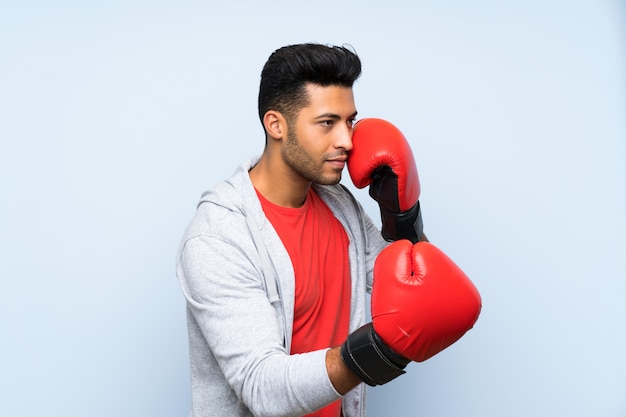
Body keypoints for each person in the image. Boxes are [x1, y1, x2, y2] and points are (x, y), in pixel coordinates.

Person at [176, 43, 481, 417]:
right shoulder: (219, 237)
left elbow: (411, 284)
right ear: (276, 124)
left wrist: (401, 217)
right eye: (327, 123)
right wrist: (376, 353)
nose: (347, 141)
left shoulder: (339, 205)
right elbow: (262, 387)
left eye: (350, 121)